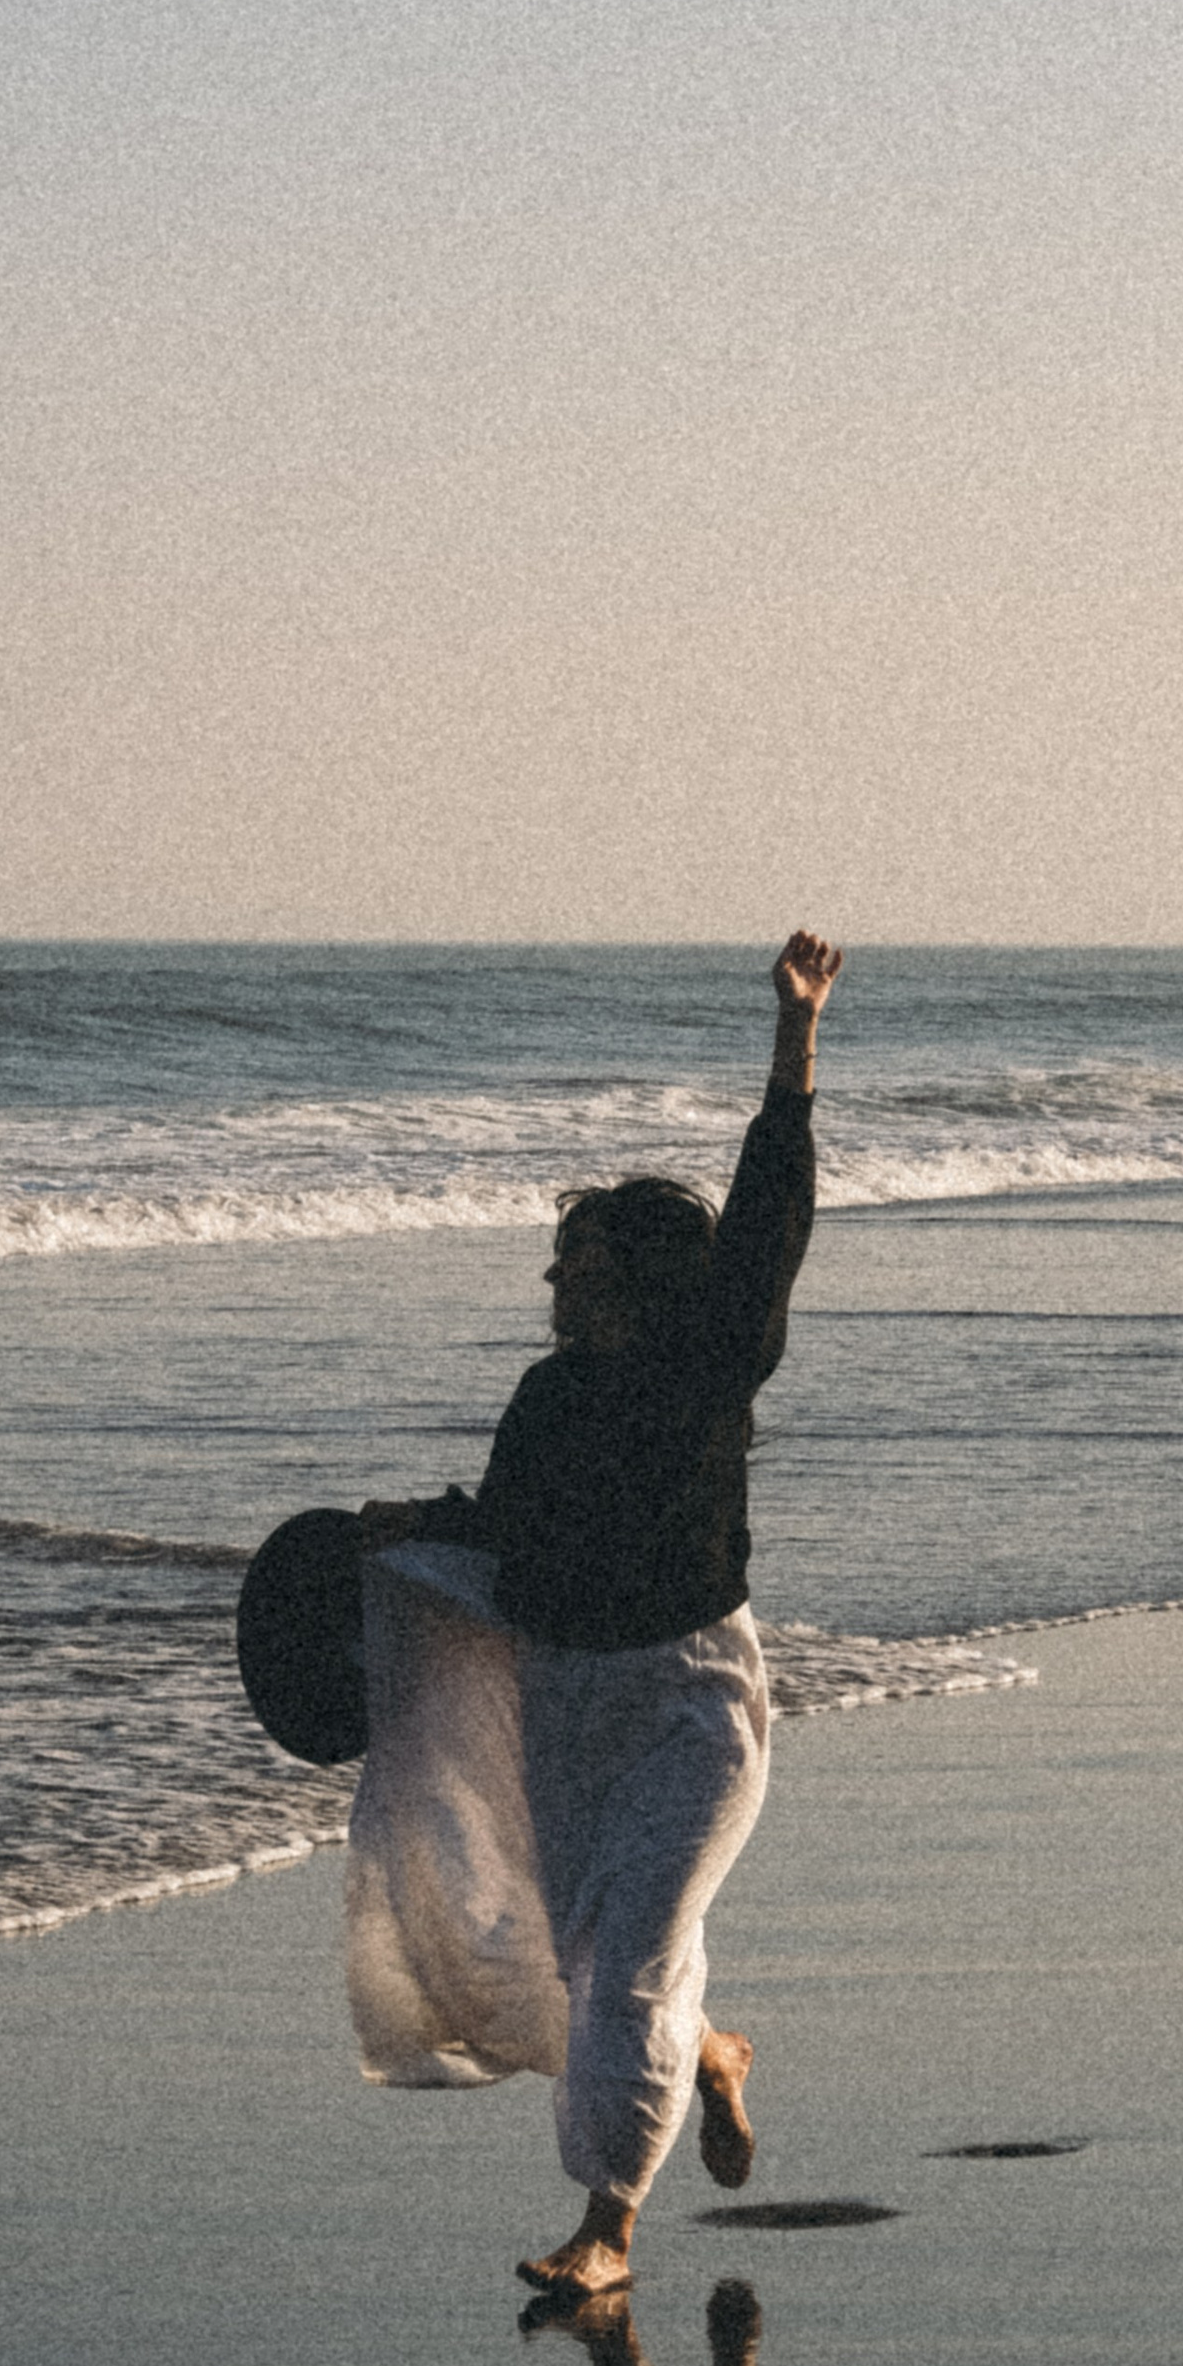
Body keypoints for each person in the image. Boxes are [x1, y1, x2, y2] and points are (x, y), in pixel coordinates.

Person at [355, 931, 843, 2294]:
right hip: (568, 1709)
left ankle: (605, 2233)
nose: (552, 1285)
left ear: (630, 1278)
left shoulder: (709, 1365)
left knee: (623, 1962)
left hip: (693, 1706)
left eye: (572, 1264)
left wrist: (795, 1038)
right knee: (595, 1964)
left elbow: (771, 1218)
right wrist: (406, 1529)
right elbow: (508, 1526)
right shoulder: (547, 1399)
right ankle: (717, 2053)